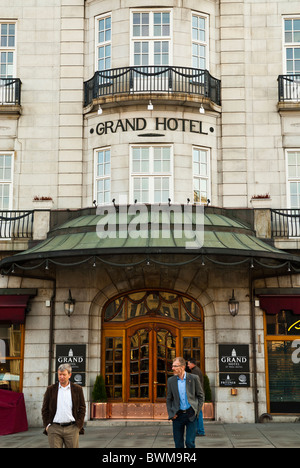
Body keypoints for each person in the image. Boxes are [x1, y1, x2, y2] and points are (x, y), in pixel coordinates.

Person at [42, 363, 86, 448]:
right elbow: (45, 409)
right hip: (54, 428)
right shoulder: (51, 389)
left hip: (72, 428)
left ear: (70, 375)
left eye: (64, 375)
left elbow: (82, 408)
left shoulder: (77, 389)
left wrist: (78, 425)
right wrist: (47, 425)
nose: (61, 377)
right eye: (60, 374)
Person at [166, 356, 204, 448]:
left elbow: (200, 396)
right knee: (178, 443)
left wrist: (196, 411)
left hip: (191, 414)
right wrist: (171, 413)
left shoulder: (194, 378)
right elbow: (169, 399)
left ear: (182, 367)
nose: (172, 368)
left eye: (175, 366)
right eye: (172, 366)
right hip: (177, 415)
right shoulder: (171, 381)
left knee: (190, 442)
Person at [187, 357, 205, 436]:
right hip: (198, 394)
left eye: (188, 364)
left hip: (197, 395)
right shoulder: (196, 370)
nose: (188, 365)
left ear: (192, 363)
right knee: (198, 412)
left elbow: (195, 385)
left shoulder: (195, 372)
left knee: (198, 413)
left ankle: (200, 431)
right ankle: (199, 430)